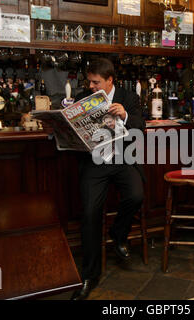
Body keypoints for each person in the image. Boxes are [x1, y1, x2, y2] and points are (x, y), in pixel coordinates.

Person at [71, 58, 145, 300]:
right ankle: (89, 276)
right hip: (95, 162)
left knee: (136, 195)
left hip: (122, 158)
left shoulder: (128, 96)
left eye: (96, 82)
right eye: (89, 82)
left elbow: (140, 126)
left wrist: (124, 115)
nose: (91, 86)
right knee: (90, 213)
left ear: (110, 80)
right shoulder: (83, 97)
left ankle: (118, 233)